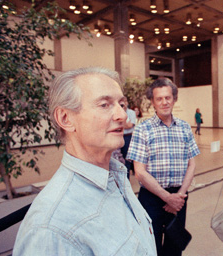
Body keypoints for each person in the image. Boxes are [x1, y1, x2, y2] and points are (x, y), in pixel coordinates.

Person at [13, 67, 156, 256]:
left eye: (121, 104)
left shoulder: (116, 177)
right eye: (104, 104)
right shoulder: (51, 229)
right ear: (65, 118)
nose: (122, 115)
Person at [127, 77, 200, 256]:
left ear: (174, 98)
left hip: (179, 197)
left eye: (168, 97)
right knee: (151, 247)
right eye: (159, 99)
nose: (164, 102)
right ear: (152, 102)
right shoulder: (142, 129)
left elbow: (192, 163)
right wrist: (167, 197)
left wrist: (179, 196)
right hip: (152, 198)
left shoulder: (184, 127)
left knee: (174, 246)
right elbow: (140, 172)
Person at [120, 98, 136, 177]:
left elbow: (130, 125)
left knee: (127, 159)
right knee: (119, 159)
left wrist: (120, 124)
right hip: (119, 136)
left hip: (128, 137)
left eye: (124, 102)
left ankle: (127, 179)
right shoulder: (117, 112)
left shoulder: (131, 113)